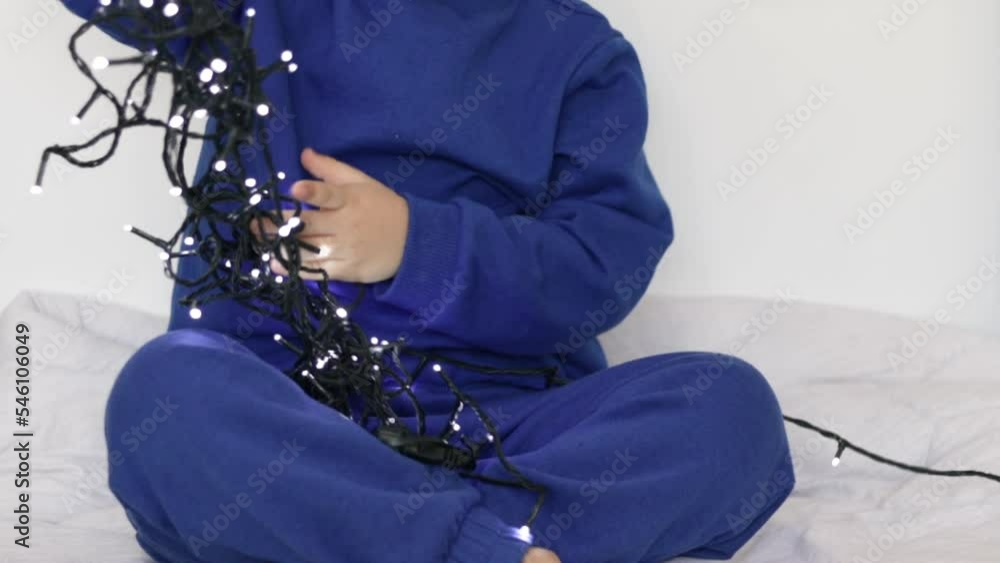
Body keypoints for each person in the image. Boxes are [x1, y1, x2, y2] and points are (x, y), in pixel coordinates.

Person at [61, 1, 795, 562]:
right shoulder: (254, 10)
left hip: (499, 432)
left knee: (733, 410)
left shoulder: (576, 52)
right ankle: (472, 540)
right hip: (291, 421)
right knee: (163, 390)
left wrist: (417, 245)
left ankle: (404, 534)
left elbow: (601, 267)